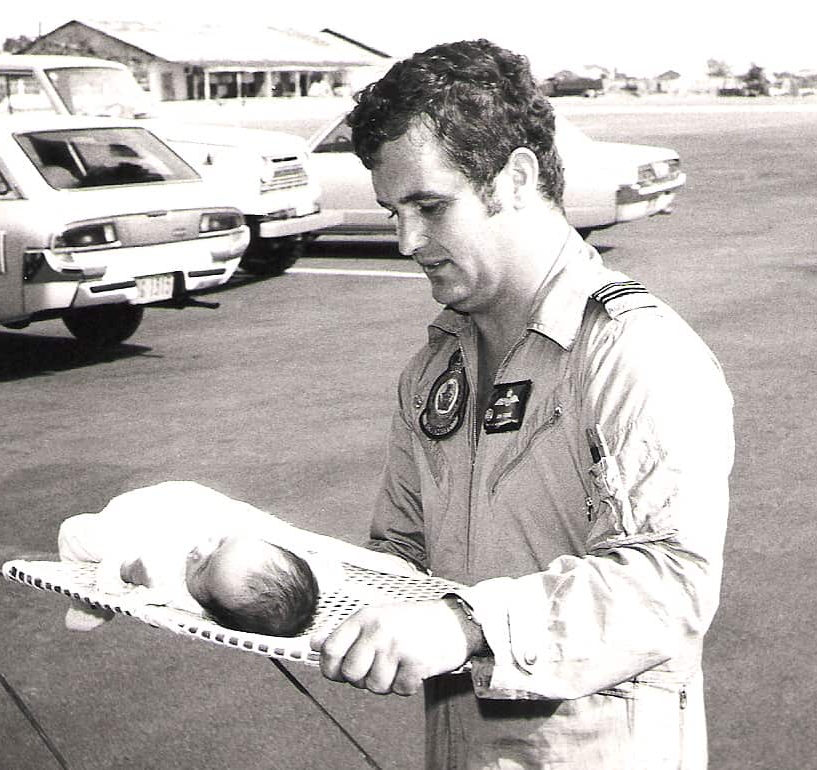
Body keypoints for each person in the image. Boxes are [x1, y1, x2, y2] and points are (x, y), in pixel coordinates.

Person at [309, 39, 735, 768]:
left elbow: (669, 581)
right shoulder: (433, 371)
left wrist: (465, 624)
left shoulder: (634, 352)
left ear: (516, 176)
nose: (407, 240)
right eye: (393, 212)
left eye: (429, 206)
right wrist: (198, 576)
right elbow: (396, 562)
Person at [58, 481, 322, 637]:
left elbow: (126, 580)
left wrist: (127, 571)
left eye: (202, 567)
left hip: (129, 529)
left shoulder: (169, 585)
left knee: (72, 532)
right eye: (220, 544)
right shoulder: (249, 547)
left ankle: (87, 604)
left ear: (206, 606)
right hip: (173, 505)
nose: (200, 550)